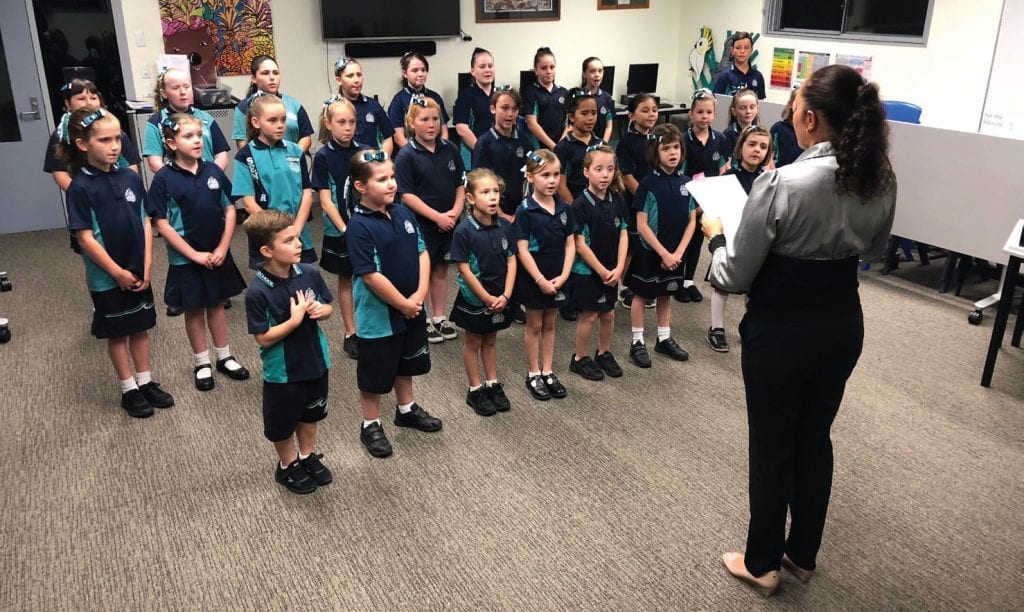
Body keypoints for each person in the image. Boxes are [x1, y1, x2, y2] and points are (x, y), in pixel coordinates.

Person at [705, 65, 896, 596]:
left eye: (793, 108)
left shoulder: (781, 182)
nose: (789, 115)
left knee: (772, 445)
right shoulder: (879, 177)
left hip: (781, 330)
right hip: (841, 323)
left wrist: (717, 238)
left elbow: (732, 277)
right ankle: (801, 554)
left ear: (810, 119)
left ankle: (762, 563)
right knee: (814, 438)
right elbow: (875, 249)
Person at [60, 107, 175, 418]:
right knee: (118, 332)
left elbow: (145, 221)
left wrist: (147, 265)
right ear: (82, 144)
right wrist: (116, 272)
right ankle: (128, 389)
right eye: (105, 140)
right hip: (108, 277)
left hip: (138, 269)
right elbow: (85, 238)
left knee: (140, 327)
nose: (114, 146)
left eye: (117, 139)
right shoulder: (80, 186)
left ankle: (145, 381)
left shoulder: (130, 177)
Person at [346, 150, 442, 459]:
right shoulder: (359, 226)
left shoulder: (402, 212)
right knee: (375, 374)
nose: (391, 184)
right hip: (380, 316)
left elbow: (422, 251)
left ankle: (406, 408)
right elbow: (370, 275)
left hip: (412, 307)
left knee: (406, 362)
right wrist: (402, 304)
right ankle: (370, 424)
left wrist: (420, 294)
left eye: (392, 177)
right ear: (361, 186)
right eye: (382, 179)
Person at [147, 113, 250, 391]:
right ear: (171, 143)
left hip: (217, 254)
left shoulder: (213, 171)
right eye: (188, 136)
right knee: (194, 309)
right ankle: (202, 362)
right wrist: (193, 255)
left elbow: (230, 209)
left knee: (216, 304)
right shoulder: (163, 179)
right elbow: (161, 224)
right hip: (186, 259)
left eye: (199, 135)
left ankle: (224, 356)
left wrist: (223, 247)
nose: (197, 141)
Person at [242, 210, 334, 495]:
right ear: (267, 251)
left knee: (311, 414)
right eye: (289, 240)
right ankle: (287, 464)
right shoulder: (257, 292)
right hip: (283, 372)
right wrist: (294, 321)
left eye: (297, 237)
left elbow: (328, 307)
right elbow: (263, 338)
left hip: (316, 361)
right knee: (282, 424)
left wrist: (321, 310)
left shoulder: (309, 273)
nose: (299, 244)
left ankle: (307, 456)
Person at [394, 96, 466, 345]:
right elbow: (407, 195)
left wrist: (455, 212)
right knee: (422, 271)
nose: (431, 124)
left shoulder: (450, 149)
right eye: (424, 119)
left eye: (435, 119)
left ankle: (439, 317)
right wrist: (437, 217)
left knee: (441, 269)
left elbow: (460, 185)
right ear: (412, 123)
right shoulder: (406, 155)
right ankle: (422, 319)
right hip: (421, 224)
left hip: (449, 222)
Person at [624, 123, 695, 368]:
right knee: (642, 295)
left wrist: (678, 252)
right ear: (655, 152)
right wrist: (663, 253)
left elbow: (692, 221)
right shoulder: (647, 184)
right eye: (666, 148)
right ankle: (637, 341)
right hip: (651, 251)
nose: (672, 152)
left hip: (676, 253)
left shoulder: (686, 183)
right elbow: (641, 224)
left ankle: (663, 338)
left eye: (676, 147)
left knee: (666, 293)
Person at [43, 79, 142, 252]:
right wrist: (85, 194)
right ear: (68, 104)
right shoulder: (61, 136)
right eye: (81, 98)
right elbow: (59, 173)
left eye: (93, 97)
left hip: (120, 196)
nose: (89, 102)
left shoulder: (114, 130)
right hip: (89, 198)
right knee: (95, 245)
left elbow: (131, 166)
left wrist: (125, 189)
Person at [449, 168, 516, 416]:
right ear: (470, 198)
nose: (493, 197)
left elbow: (512, 260)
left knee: (491, 339)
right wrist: (486, 297)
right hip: (475, 299)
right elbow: (464, 269)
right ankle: (475, 388)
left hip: (500, 295)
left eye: (496, 191)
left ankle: (492, 382)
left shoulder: (504, 226)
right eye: (485, 192)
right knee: (473, 341)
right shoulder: (464, 231)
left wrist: (506, 294)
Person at [513, 149, 575, 401]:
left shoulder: (564, 208)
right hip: (534, 278)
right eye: (545, 175)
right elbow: (522, 249)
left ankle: (548, 371)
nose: (552, 180)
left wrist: (564, 275)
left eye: (556, 175)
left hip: (558, 275)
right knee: (535, 325)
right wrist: (539, 279)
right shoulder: (525, 210)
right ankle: (533, 373)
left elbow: (571, 244)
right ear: (530, 177)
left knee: (550, 324)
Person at [706, 125, 772, 353]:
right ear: (740, 147)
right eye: (752, 144)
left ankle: (749, 325)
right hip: (729, 238)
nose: (757, 150)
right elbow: (715, 208)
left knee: (752, 286)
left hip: (756, 241)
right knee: (721, 285)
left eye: (763, 146)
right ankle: (716, 328)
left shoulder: (769, 180)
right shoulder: (728, 177)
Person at [233, 93, 317, 270]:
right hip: (267, 233)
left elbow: (307, 193)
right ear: (256, 122)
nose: (280, 125)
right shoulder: (245, 156)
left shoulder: (296, 151)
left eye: (283, 120)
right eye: (272, 120)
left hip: (298, 229)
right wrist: (276, 232)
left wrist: (296, 228)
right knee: (273, 279)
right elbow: (248, 203)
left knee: (304, 277)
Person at [312, 98, 366, 360]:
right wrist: (346, 229)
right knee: (347, 279)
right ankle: (350, 332)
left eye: (352, 122)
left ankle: (369, 328)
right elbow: (325, 200)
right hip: (341, 229)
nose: (347, 127)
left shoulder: (364, 151)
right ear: (328, 124)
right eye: (341, 122)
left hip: (366, 226)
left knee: (369, 276)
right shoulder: (323, 156)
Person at [568, 146, 628, 382]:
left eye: (610, 169)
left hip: (612, 269)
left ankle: (603, 352)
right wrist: (601, 270)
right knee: (590, 315)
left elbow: (624, 233)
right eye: (599, 169)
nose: (605, 175)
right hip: (588, 271)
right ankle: (579, 358)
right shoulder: (579, 205)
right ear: (586, 172)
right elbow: (580, 244)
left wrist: (619, 267)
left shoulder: (618, 200)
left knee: (609, 313)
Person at [679, 89, 728, 305]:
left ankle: (689, 280)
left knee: (698, 240)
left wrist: (714, 197)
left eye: (709, 112)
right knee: (684, 238)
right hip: (688, 199)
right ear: (691, 114)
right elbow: (680, 173)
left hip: (708, 201)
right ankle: (678, 281)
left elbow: (722, 168)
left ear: (715, 115)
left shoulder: (720, 139)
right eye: (700, 112)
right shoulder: (683, 140)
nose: (704, 116)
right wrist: (693, 204)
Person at [615, 93, 660, 310]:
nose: (651, 114)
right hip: (635, 203)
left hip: (655, 203)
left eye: (654, 110)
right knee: (631, 245)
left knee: (647, 244)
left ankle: (639, 283)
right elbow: (627, 177)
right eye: (645, 110)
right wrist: (646, 201)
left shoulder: (657, 139)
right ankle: (622, 286)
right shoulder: (627, 142)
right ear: (632, 115)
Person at [143, 67, 230, 174]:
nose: (183, 92)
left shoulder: (206, 118)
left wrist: (211, 176)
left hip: (209, 178)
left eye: (186, 87)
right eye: (175, 88)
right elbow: (154, 162)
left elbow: (221, 155)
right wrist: (178, 180)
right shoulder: (156, 122)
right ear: (164, 93)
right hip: (176, 181)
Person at [471, 88, 532, 221]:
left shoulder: (524, 140)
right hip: (495, 213)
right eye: (504, 108)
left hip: (522, 211)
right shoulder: (484, 143)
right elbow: (480, 182)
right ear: (493, 109)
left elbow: (535, 168)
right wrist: (501, 214)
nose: (510, 114)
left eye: (514, 109)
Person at [232, 56, 314, 153]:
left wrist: (293, 156)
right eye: (265, 73)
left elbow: (306, 137)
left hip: (293, 159)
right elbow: (242, 144)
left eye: (275, 73)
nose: (272, 77)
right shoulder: (244, 107)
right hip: (260, 161)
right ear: (254, 79)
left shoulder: (293, 104)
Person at [388, 51, 450, 149]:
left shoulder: (435, 97)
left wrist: (441, 150)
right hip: (410, 152)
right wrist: (415, 154)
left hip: (435, 151)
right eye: (415, 70)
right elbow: (398, 137)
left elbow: (444, 131)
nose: (420, 74)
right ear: (405, 73)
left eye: (423, 70)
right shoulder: (398, 100)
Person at [333, 57, 393, 156]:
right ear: (339, 80)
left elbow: (387, 139)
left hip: (371, 161)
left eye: (359, 75)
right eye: (350, 76)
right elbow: (327, 143)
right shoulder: (332, 107)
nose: (356, 80)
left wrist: (380, 161)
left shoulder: (374, 106)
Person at [554, 89, 603, 203]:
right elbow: (561, 186)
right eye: (584, 113)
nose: (590, 118)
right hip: (575, 204)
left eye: (594, 113)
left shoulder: (601, 145)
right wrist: (576, 209)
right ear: (571, 117)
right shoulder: (562, 148)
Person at [453, 47, 496, 168]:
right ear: (472, 71)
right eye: (482, 67)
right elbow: (461, 129)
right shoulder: (465, 96)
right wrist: (483, 151)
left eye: (490, 66)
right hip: (476, 157)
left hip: (499, 156)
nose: (487, 70)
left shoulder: (500, 95)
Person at [523, 47, 568, 150]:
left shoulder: (564, 92)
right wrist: (553, 146)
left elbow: (569, 122)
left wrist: (560, 145)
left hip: (561, 146)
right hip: (540, 148)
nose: (549, 71)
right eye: (544, 68)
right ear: (536, 70)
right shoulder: (530, 92)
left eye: (552, 67)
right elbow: (532, 124)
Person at [713, 31, 766, 99]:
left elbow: (761, 102)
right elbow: (717, 101)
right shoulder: (725, 75)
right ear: (732, 50)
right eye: (738, 48)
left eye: (746, 48)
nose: (742, 51)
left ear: (751, 50)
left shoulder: (758, 76)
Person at [721, 88, 760, 166]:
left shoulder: (761, 133)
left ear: (757, 109)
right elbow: (726, 164)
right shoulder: (728, 134)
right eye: (743, 108)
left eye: (752, 107)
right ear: (734, 111)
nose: (748, 111)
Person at [580, 57, 615, 143]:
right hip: (581, 144)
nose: (597, 75)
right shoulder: (577, 97)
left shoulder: (607, 98)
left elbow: (608, 126)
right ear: (584, 74)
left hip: (600, 144)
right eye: (592, 71)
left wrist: (603, 143)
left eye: (600, 71)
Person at [770, 89, 804, 168]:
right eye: (799, 103)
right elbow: (768, 156)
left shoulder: (810, 133)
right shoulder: (778, 128)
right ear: (791, 104)